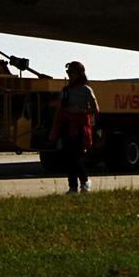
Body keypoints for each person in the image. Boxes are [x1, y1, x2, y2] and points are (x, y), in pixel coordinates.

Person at [49, 61, 99, 193]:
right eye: (68, 73)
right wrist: (55, 130)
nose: (70, 75)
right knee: (68, 157)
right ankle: (72, 186)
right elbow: (59, 110)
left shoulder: (86, 90)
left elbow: (95, 109)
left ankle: (84, 181)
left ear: (79, 74)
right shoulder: (65, 91)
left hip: (80, 127)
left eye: (72, 73)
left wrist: (80, 111)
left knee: (75, 157)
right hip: (67, 126)